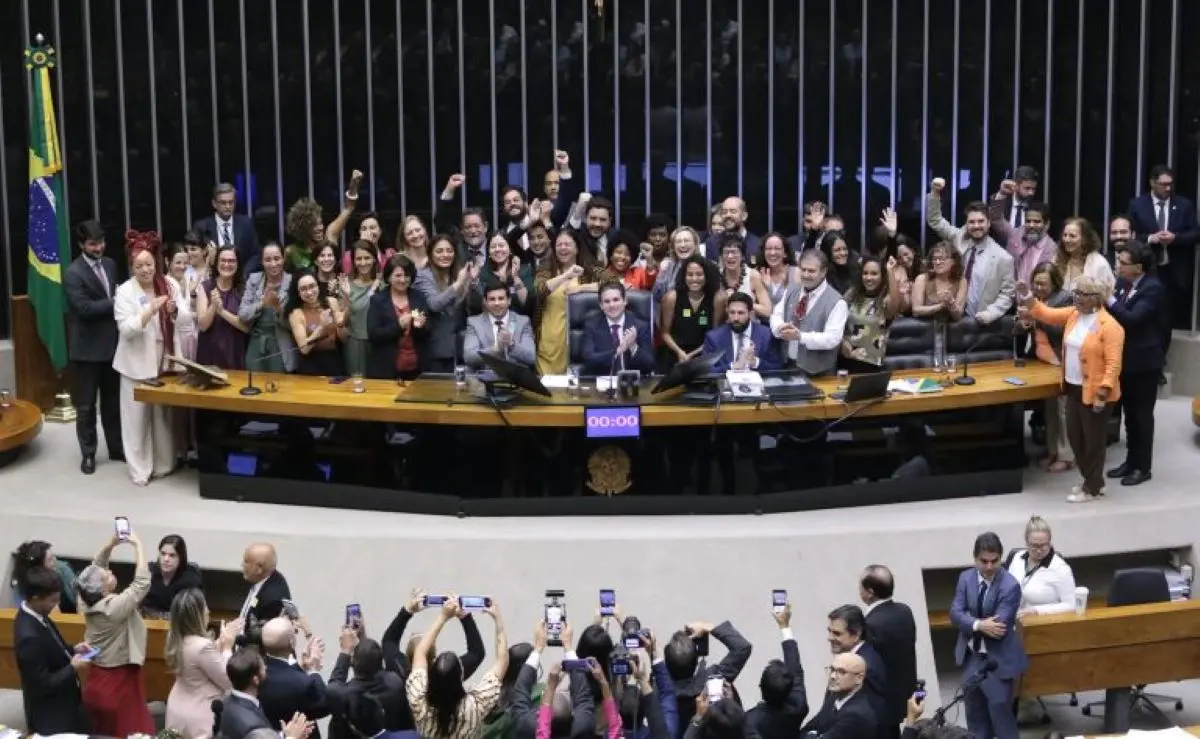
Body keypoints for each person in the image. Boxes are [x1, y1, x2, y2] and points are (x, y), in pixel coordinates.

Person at [1018, 275, 1125, 502]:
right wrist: (1027, 296)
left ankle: (1092, 488)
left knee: (1093, 442)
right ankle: (1093, 481)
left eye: (1082, 294)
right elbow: (1045, 313)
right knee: (1076, 439)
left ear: (1096, 298)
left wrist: (1103, 392)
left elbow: (1114, 365)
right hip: (1073, 387)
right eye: (1076, 293)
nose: (1076, 298)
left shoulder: (1111, 326)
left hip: (1096, 393)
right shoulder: (1074, 315)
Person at [113, 230, 190, 486]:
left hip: (163, 360)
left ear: (156, 263)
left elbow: (188, 319)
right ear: (132, 267)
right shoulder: (124, 292)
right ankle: (139, 470)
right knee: (136, 420)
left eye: (149, 264)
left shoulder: (169, 285)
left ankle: (164, 464)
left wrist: (174, 309)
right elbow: (126, 329)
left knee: (162, 418)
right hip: (134, 363)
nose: (145, 270)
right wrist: (150, 309)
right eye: (139, 265)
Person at [947, 532, 1027, 739]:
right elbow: (955, 613)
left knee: (1001, 716)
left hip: (997, 660)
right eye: (984, 561)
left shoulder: (1010, 585)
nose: (990, 567)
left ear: (1000, 558)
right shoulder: (965, 578)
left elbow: (999, 626)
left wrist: (970, 622)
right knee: (974, 716)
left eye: (995, 561)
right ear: (975, 559)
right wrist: (978, 624)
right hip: (972, 657)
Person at [76, 529, 155, 735]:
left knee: (103, 729)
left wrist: (110, 545)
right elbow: (141, 584)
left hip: (98, 673)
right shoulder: (113, 609)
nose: (111, 572)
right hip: (119, 677)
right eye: (107, 576)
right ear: (103, 590)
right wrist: (138, 546)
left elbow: (95, 569)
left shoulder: (85, 600)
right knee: (129, 728)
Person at [63, 219, 124, 475]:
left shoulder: (110, 264)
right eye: (92, 244)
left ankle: (116, 448)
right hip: (87, 350)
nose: (98, 248)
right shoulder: (73, 273)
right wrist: (115, 301)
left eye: (101, 242)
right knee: (86, 406)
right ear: (81, 245)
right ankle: (88, 454)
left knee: (112, 402)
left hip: (111, 346)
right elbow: (84, 309)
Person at [1105, 240, 1165, 486]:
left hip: (1144, 363)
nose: (1118, 265)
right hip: (1125, 361)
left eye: (1123, 262)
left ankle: (1143, 467)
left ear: (1138, 268)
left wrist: (1108, 299)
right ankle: (1130, 461)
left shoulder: (1153, 288)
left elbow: (1132, 319)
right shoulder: (1123, 283)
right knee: (1129, 415)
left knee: (1142, 417)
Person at [406, 595, 509, 739]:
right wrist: (498, 620)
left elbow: (420, 652)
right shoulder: (476, 706)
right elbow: (502, 661)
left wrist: (443, 616)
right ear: (461, 676)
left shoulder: (418, 700)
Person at [14, 567, 92, 735]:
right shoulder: (28, 637)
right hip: (52, 718)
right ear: (35, 598)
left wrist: (73, 649)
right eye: (52, 601)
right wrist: (73, 668)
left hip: (68, 706)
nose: (56, 606)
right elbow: (42, 684)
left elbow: (51, 649)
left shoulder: (38, 613)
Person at [926, 179, 1016, 324]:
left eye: (981, 221)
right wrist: (935, 193)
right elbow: (935, 220)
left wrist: (990, 313)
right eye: (972, 222)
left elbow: (1008, 294)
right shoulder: (958, 238)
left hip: (979, 322)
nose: (976, 226)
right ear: (966, 224)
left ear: (988, 223)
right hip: (949, 318)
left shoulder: (1003, 258)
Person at [1017, 263, 1074, 473]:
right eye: (1036, 283)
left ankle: (1067, 455)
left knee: (1063, 411)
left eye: (1043, 284)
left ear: (1055, 282)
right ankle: (1052, 451)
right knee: (1049, 411)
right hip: (1043, 363)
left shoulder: (1065, 298)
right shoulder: (1035, 299)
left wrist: (1036, 316)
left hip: (1062, 361)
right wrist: (1023, 322)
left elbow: (1059, 329)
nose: (1038, 287)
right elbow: (1024, 328)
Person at [164, 588, 242, 739]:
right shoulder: (203, 646)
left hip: (177, 708)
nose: (208, 610)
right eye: (205, 606)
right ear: (197, 615)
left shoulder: (174, 639)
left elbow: (199, 661)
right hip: (199, 714)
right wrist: (227, 647)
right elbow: (229, 680)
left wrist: (220, 641)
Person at [769, 249, 848, 376]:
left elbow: (832, 338)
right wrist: (780, 327)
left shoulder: (837, 302)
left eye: (811, 271)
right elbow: (776, 314)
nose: (805, 274)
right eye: (803, 269)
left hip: (819, 373)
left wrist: (801, 336)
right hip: (787, 366)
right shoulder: (791, 289)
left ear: (823, 272)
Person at [859, 566, 917, 739]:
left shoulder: (869, 625)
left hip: (879, 704)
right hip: (902, 699)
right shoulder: (904, 611)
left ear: (870, 592)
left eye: (860, 587)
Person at [367, 254, 431, 381]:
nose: (403, 280)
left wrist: (420, 326)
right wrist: (398, 325)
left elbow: (428, 331)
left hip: (416, 368)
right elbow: (373, 335)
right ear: (389, 277)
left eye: (406, 275)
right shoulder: (378, 300)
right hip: (386, 369)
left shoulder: (419, 297)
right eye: (398, 275)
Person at [239, 243, 297, 373]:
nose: (273, 264)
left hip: (280, 342)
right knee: (254, 383)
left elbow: (293, 325)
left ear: (284, 259)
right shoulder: (254, 280)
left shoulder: (292, 282)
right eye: (268, 260)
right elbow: (242, 315)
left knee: (279, 386)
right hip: (256, 340)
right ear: (262, 262)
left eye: (277, 258)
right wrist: (261, 304)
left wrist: (277, 308)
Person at [580, 282, 656, 376]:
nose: (612, 305)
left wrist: (633, 347)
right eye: (607, 301)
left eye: (616, 300)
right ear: (601, 305)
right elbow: (588, 360)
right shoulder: (591, 325)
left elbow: (649, 365)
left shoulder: (640, 326)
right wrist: (617, 351)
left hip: (632, 383)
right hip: (601, 382)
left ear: (625, 301)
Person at [1006, 516, 1076, 616]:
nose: (1039, 550)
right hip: (1013, 619)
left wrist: (1037, 611)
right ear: (1026, 541)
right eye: (1034, 545)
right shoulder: (1017, 558)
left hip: (1041, 623)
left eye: (1044, 545)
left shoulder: (1060, 568)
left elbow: (1072, 605)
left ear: (1050, 542)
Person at [798, 653, 877, 739]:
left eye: (842, 672)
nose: (833, 676)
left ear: (859, 678)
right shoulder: (833, 699)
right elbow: (806, 730)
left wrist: (813, 734)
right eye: (832, 670)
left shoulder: (856, 714)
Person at [463, 280, 537, 369]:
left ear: (509, 301)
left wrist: (511, 344)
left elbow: (531, 357)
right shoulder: (474, 323)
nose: (496, 303)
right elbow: (469, 357)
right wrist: (496, 349)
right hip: (483, 377)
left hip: (515, 378)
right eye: (492, 299)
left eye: (501, 298)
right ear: (485, 302)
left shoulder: (523, 322)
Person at [701, 291, 781, 373]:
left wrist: (755, 362)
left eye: (740, 313)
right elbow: (705, 370)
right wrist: (733, 367)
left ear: (750, 313)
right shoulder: (713, 337)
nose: (736, 318)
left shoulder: (766, 335)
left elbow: (777, 367)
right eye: (732, 312)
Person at [193, 182, 262, 273]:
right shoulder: (201, 227)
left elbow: (255, 255)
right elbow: (194, 257)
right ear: (214, 204)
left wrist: (244, 273)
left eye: (231, 202)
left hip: (242, 279)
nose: (228, 206)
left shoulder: (246, 224)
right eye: (223, 203)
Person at [142, 534, 204, 617]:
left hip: (180, 624)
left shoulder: (191, 577)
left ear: (181, 558)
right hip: (150, 622)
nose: (166, 559)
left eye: (172, 555)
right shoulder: (149, 572)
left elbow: (194, 611)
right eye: (163, 554)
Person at [10, 540, 79, 613]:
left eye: (53, 557)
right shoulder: (22, 585)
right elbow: (23, 612)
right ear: (38, 568)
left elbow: (79, 598)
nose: (55, 561)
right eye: (50, 560)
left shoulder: (63, 570)